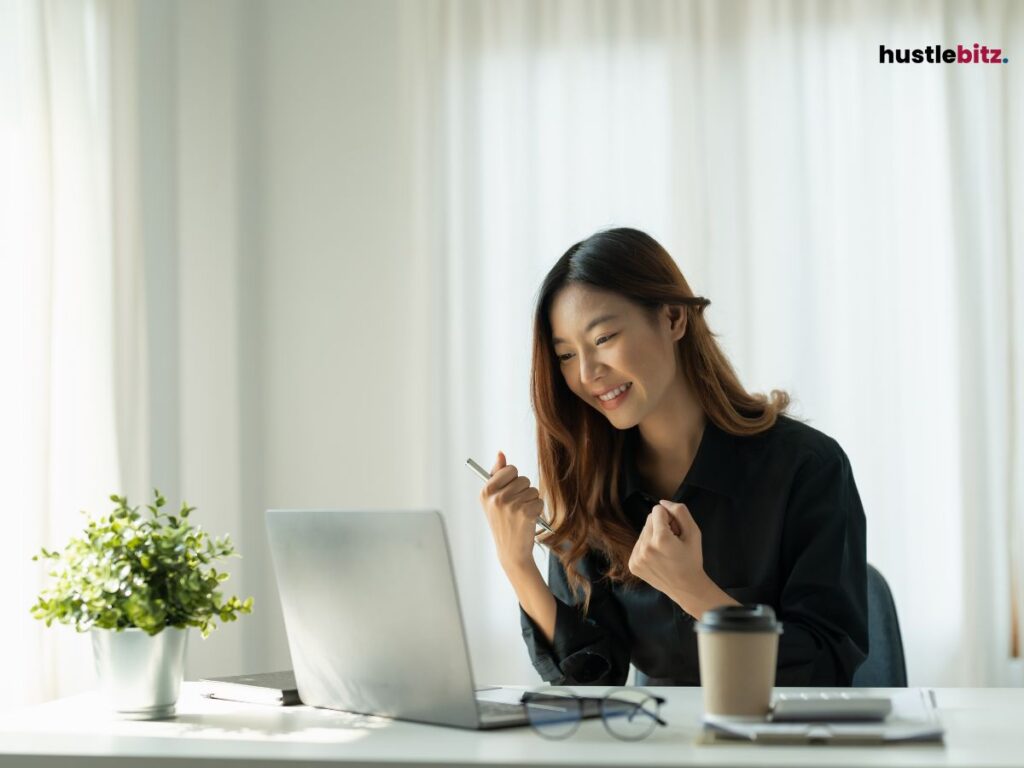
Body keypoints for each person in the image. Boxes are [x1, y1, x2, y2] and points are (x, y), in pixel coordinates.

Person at [479, 227, 868, 687]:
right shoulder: (591, 486)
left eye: (603, 338)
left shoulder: (807, 466)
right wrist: (517, 565)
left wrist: (695, 591)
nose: (587, 373)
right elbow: (592, 682)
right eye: (566, 355)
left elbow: (826, 666)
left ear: (673, 319)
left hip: (785, 748)